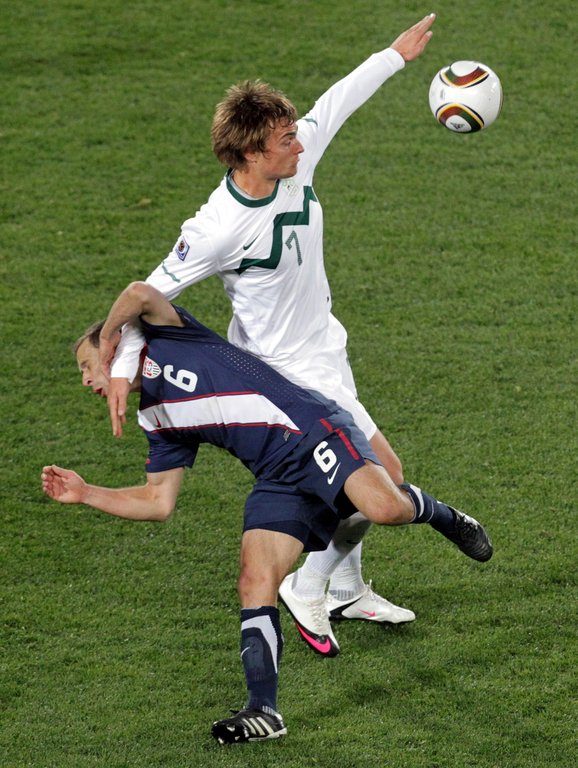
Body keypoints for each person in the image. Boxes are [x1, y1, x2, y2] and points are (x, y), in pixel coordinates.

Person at [100, 15, 437, 655]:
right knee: (384, 478)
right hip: (284, 371)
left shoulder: (291, 160)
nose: (300, 145)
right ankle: (308, 586)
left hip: (325, 346)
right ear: (253, 153)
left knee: (364, 480)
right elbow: (148, 296)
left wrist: (395, 54)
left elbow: (337, 101)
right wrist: (121, 368)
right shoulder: (216, 228)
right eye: (286, 139)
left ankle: (346, 588)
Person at [42, 282, 492, 744]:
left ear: (113, 345)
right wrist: (87, 493)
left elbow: (140, 292)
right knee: (255, 579)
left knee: (385, 508)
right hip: (276, 477)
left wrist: (110, 342)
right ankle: (264, 711)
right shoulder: (154, 417)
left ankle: (445, 517)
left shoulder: (169, 335)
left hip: (311, 429)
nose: (85, 380)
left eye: (86, 365)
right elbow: (158, 502)